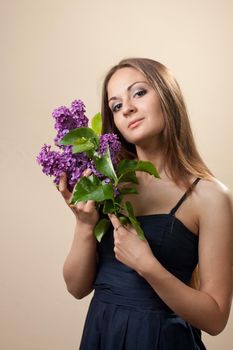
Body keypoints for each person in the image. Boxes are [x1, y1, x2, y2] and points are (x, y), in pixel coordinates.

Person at [59, 58, 233, 349]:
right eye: (116, 105)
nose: (126, 107)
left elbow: (215, 319)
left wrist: (148, 266)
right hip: (102, 335)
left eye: (138, 92)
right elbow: (76, 287)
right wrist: (83, 225)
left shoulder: (210, 197)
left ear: (167, 95)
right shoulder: (108, 185)